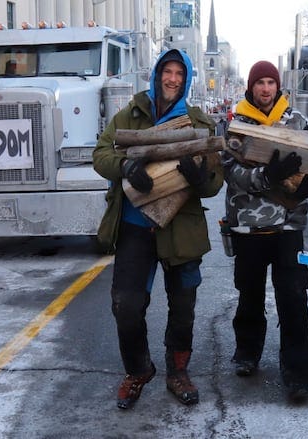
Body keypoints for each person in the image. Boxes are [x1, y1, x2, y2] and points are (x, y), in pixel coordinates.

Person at [92, 49, 224, 410]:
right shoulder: (132, 114)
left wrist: (201, 179)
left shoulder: (197, 122)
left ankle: (177, 372)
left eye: (180, 73)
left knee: (183, 306)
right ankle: (138, 370)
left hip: (181, 229)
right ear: (156, 75)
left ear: (187, 79)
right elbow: (100, 154)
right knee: (126, 305)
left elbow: (214, 182)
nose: (172, 79)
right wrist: (124, 166)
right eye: (167, 71)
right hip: (135, 227)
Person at [222, 60, 308, 403]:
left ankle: (298, 374)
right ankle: (247, 353)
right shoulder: (236, 124)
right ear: (250, 87)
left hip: (287, 228)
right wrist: (268, 177)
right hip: (248, 227)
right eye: (259, 83)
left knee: (294, 298)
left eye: (270, 82)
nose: (265, 88)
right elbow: (231, 171)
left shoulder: (297, 121)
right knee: (249, 296)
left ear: (277, 86)